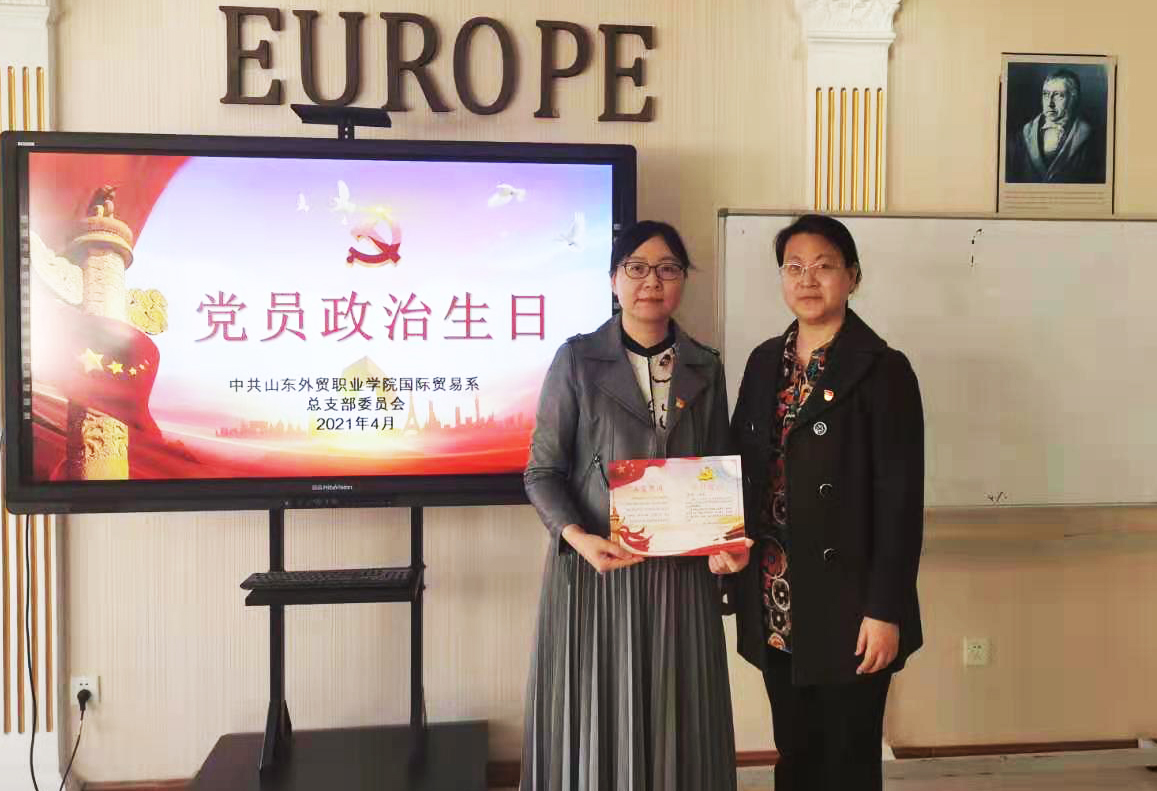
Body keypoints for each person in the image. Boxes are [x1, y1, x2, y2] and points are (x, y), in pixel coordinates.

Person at [521, 220, 752, 791]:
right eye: (637, 268)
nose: (653, 281)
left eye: (668, 269)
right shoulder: (577, 360)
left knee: (682, 717)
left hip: (682, 580)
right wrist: (577, 537)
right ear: (613, 280)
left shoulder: (706, 365)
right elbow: (542, 472)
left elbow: (717, 472)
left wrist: (725, 545)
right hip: (598, 575)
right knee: (597, 717)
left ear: (683, 281)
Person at [726, 214, 924, 791]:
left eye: (824, 266)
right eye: (794, 267)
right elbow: (738, 469)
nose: (807, 279)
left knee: (848, 759)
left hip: (852, 604)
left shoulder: (883, 369)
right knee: (795, 752)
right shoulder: (764, 361)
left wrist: (885, 610)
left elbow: (900, 502)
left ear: (852, 276)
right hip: (776, 593)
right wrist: (723, 541)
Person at [1007, 68, 1105, 183]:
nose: (1050, 103)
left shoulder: (1090, 139)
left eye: (1058, 95)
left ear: (1073, 98)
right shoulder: (1022, 136)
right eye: (1046, 94)